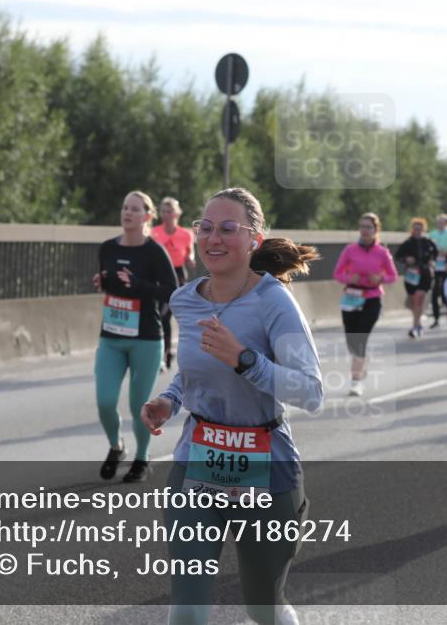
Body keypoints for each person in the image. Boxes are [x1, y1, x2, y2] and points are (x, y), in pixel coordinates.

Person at [139, 187, 322, 625]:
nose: (212, 238)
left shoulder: (274, 301)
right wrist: (171, 399)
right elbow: (197, 369)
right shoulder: (186, 299)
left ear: (254, 240)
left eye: (227, 229)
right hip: (198, 462)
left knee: (263, 606)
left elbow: (311, 392)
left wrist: (246, 360)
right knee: (187, 606)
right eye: (205, 227)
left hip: (267, 467)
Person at [93, 191, 178, 483]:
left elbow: (170, 291)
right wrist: (103, 282)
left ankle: (142, 457)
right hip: (111, 337)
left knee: (137, 406)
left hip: (146, 339)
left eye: (135, 209)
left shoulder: (155, 252)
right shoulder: (106, 248)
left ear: (147, 216)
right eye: (124, 207)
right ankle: (117, 446)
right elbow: (111, 282)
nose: (127, 213)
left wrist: (140, 285)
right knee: (105, 401)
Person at [333, 212, 398, 396]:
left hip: (372, 298)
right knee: (351, 342)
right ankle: (361, 365)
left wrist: (380, 278)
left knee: (360, 338)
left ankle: (356, 382)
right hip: (351, 297)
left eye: (368, 227)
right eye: (362, 226)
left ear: (376, 230)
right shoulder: (350, 250)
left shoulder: (382, 252)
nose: (364, 230)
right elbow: (337, 274)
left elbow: (393, 276)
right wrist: (349, 277)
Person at [152, 197, 196, 370]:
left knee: (167, 315)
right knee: (159, 315)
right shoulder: (154, 232)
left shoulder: (185, 234)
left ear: (177, 213)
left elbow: (190, 253)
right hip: (157, 275)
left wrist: (190, 260)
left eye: (169, 211)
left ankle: (167, 353)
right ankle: (162, 353)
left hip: (177, 276)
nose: (166, 215)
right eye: (163, 211)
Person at [395, 218, 437, 338]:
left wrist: (431, 262)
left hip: (424, 274)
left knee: (419, 298)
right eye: (415, 228)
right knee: (414, 300)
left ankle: (416, 325)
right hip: (411, 275)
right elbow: (398, 257)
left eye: (420, 228)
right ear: (412, 229)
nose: (417, 230)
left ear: (424, 229)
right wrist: (406, 260)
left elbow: (435, 255)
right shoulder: (407, 243)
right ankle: (417, 322)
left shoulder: (428, 242)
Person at [427, 214, 447, 329]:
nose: (440, 224)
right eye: (438, 222)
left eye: (442, 222)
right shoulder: (431, 235)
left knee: (446, 293)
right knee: (434, 293)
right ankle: (436, 318)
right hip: (435, 267)